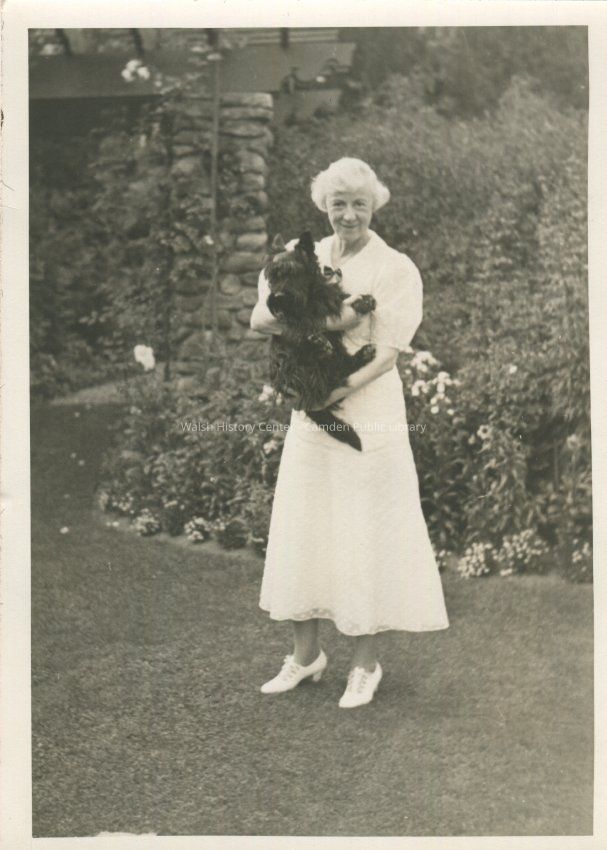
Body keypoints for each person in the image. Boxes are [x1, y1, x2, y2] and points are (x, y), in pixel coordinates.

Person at [250, 157, 449, 709]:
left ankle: (364, 665)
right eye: (338, 204)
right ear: (324, 206)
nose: (349, 214)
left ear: (374, 205)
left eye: (359, 203)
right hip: (311, 412)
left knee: (366, 530)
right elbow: (259, 318)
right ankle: (305, 656)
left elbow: (385, 356)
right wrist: (327, 328)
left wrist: (332, 392)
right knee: (305, 524)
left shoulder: (395, 268)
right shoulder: (303, 258)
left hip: (366, 409)